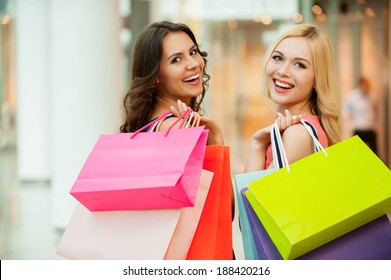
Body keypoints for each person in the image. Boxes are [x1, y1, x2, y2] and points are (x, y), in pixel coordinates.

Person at [245, 24, 341, 172]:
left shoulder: (297, 135)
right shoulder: (304, 129)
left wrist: (257, 144)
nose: (283, 71)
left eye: (300, 65)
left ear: (317, 80)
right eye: (278, 57)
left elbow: (248, 195)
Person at [120, 21, 224, 146]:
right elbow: (214, 167)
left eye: (193, 52)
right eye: (176, 59)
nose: (194, 64)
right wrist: (215, 134)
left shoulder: (151, 124)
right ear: (155, 75)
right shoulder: (178, 128)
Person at [343, 76, 377, 154]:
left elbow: (374, 112)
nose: (366, 88)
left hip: (370, 129)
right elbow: (345, 111)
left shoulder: (371, 97)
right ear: (360, 85)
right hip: (359, 129)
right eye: (364, 86)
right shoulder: (352, 96)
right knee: (358, 153)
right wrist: (350, 123)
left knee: (374, 154)